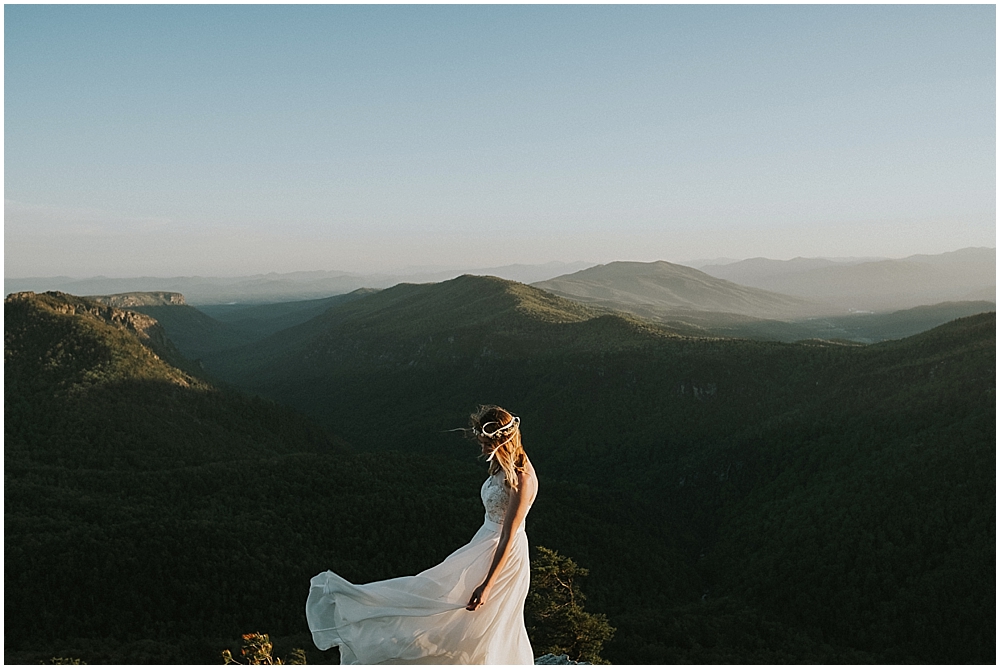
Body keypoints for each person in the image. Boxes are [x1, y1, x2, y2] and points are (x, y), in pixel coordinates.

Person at [305, 405, 538, 664]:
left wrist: (487, 584)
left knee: (488, 618)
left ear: (503, 440)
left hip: (503, 556)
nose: (482, 449)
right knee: (440, 597)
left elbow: (508, 535)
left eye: (486, 443)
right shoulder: (500, 467)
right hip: (483, 544)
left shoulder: (521, 477)